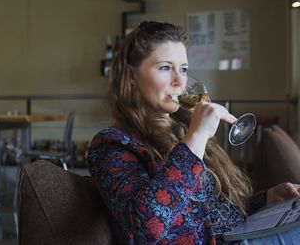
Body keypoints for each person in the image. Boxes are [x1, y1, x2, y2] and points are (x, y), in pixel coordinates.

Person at [87, 21, 300, 244]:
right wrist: (196, 138)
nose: (179, 81)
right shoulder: (112, 144)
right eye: (165, 67)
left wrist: (265, 200)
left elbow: (212, 211)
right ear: (131, 76)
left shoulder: (182, 130)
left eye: (184, 69)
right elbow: (147, 225)